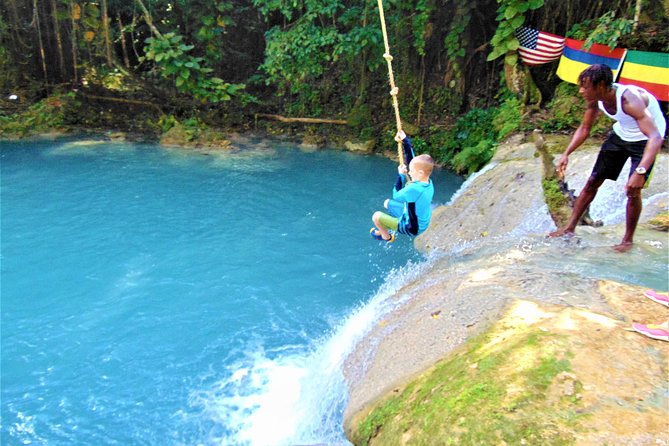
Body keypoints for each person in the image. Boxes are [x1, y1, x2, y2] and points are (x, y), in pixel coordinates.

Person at [547, 64, 666, 252]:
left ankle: (627, 240)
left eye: (585, 86)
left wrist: (640, 171)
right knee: (593, 181)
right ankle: (569, 228)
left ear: (601, 85)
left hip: (645, 140)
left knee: (633, 190)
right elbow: (585, 128)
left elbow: (655, 137)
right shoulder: (596, 98)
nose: (581, 90)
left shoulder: (630, 101)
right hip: (621, 135)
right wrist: (566, 153)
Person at [371, 130, 435, 242]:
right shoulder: (428, 181)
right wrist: (405, 141)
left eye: (411, 171)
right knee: (387, 203)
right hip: (417, 218)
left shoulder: (414, 188)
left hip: (411, 227)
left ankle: (386, 236)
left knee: (376, 216)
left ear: (420, 173)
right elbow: (413, 161)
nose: (409, 173)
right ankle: (388, 226)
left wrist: (400, 175)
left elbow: (396, 194)